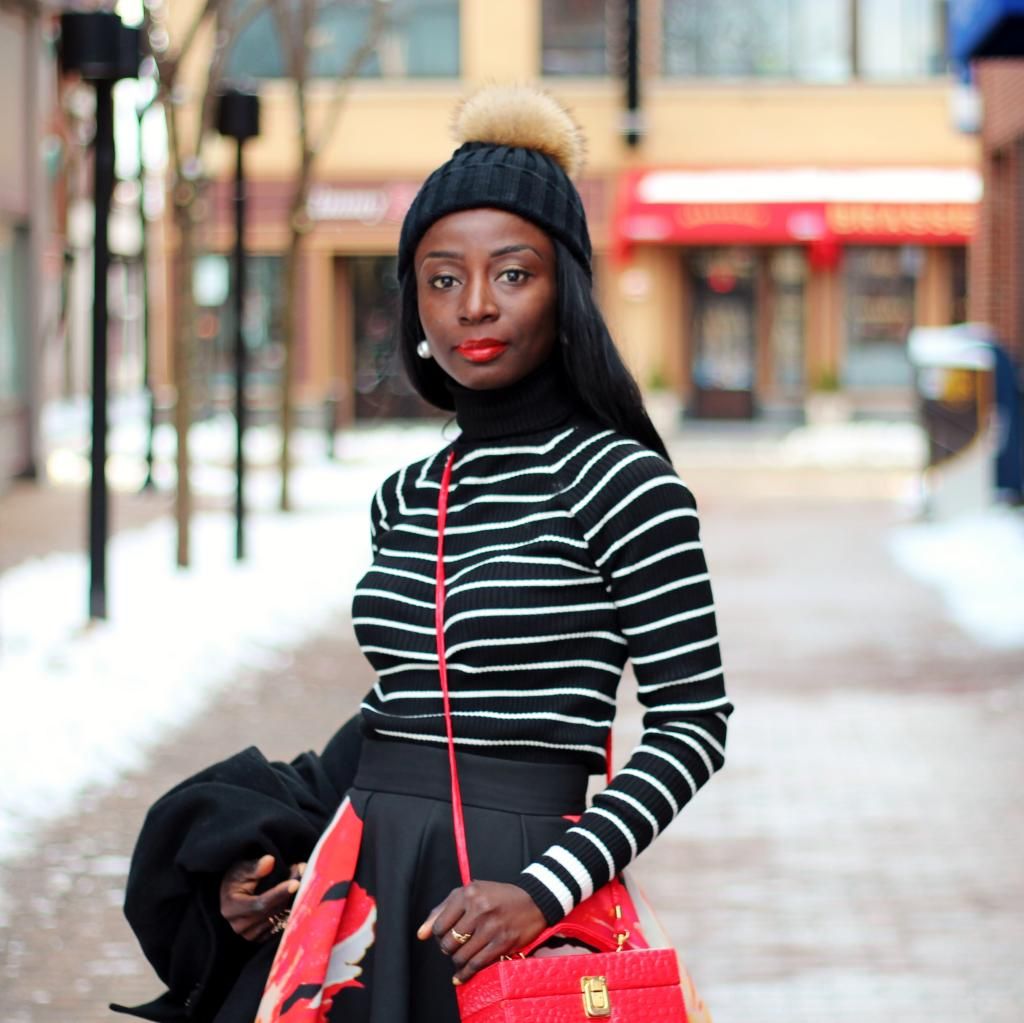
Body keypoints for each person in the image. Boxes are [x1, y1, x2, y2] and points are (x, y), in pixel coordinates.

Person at [122, 84, 731, 1023]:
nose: (474, 305)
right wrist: (283, 851)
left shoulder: (625, 483)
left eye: (512, 273)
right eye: (443, 278)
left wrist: (544, 887)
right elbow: (399, 714)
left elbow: (694, 726)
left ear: (564, 288)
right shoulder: (408, 494)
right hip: (371, 891)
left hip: (518, 892)